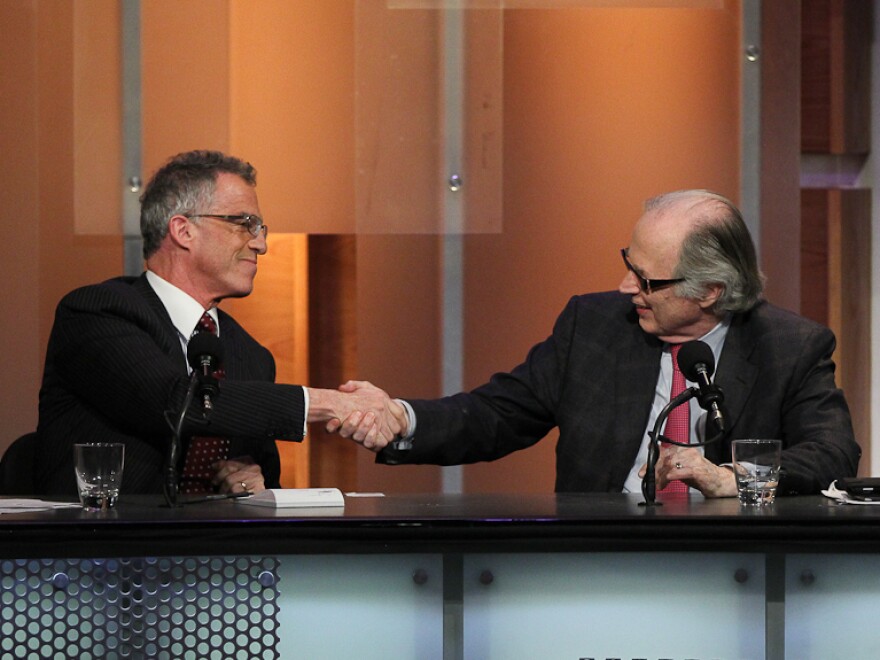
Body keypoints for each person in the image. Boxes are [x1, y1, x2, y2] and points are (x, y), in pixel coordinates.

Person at [334, 189, 861, 497]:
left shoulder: (791, 346)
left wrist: (730, 478)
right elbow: (497, 414)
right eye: (629, 265)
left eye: (648, 280)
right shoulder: (594, 324)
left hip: (735, 568)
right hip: (600, 559)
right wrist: (403, 418)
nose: (626, 287)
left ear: (711, 292)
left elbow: (833, 454)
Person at [35, 150, 400, 497]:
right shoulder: (97, 312)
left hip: (217, 558)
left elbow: (264, 479)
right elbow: (174, 402)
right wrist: (328, 403)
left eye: (260, 228)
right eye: (244, 223)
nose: (261, 244)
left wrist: (253, 484)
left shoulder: (251, 355)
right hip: (103, 553)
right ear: (183, 230)